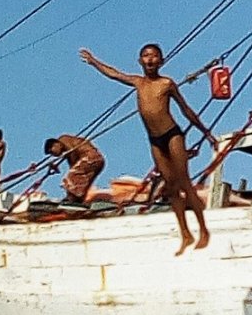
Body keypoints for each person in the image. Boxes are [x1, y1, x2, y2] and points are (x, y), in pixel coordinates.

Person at [80, 44, 217, 254]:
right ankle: (186, 234)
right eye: (145, 56)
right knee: (171, 189)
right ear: (140, 61)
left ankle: (204, 230)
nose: (150, 60)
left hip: (173, 136)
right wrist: (94, 61)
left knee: (184, 184)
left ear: (161, 61)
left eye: (154, 56)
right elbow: (115, 74)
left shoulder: (166, 83)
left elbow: (185, 109)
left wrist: (206, 133)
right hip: (155, 140)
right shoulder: (138, 82)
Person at [44, 134, 106, 205]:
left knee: (72, 176)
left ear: (56, 144)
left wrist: (57, 165)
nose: (53, 155)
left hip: (91, 158)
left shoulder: (64, 140)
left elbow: (73, 162)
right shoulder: (67, 147)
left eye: (52, 152)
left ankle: (72, 199)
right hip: (99, 161)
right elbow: (74, 163)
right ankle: (79, 200)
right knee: (83, 182)